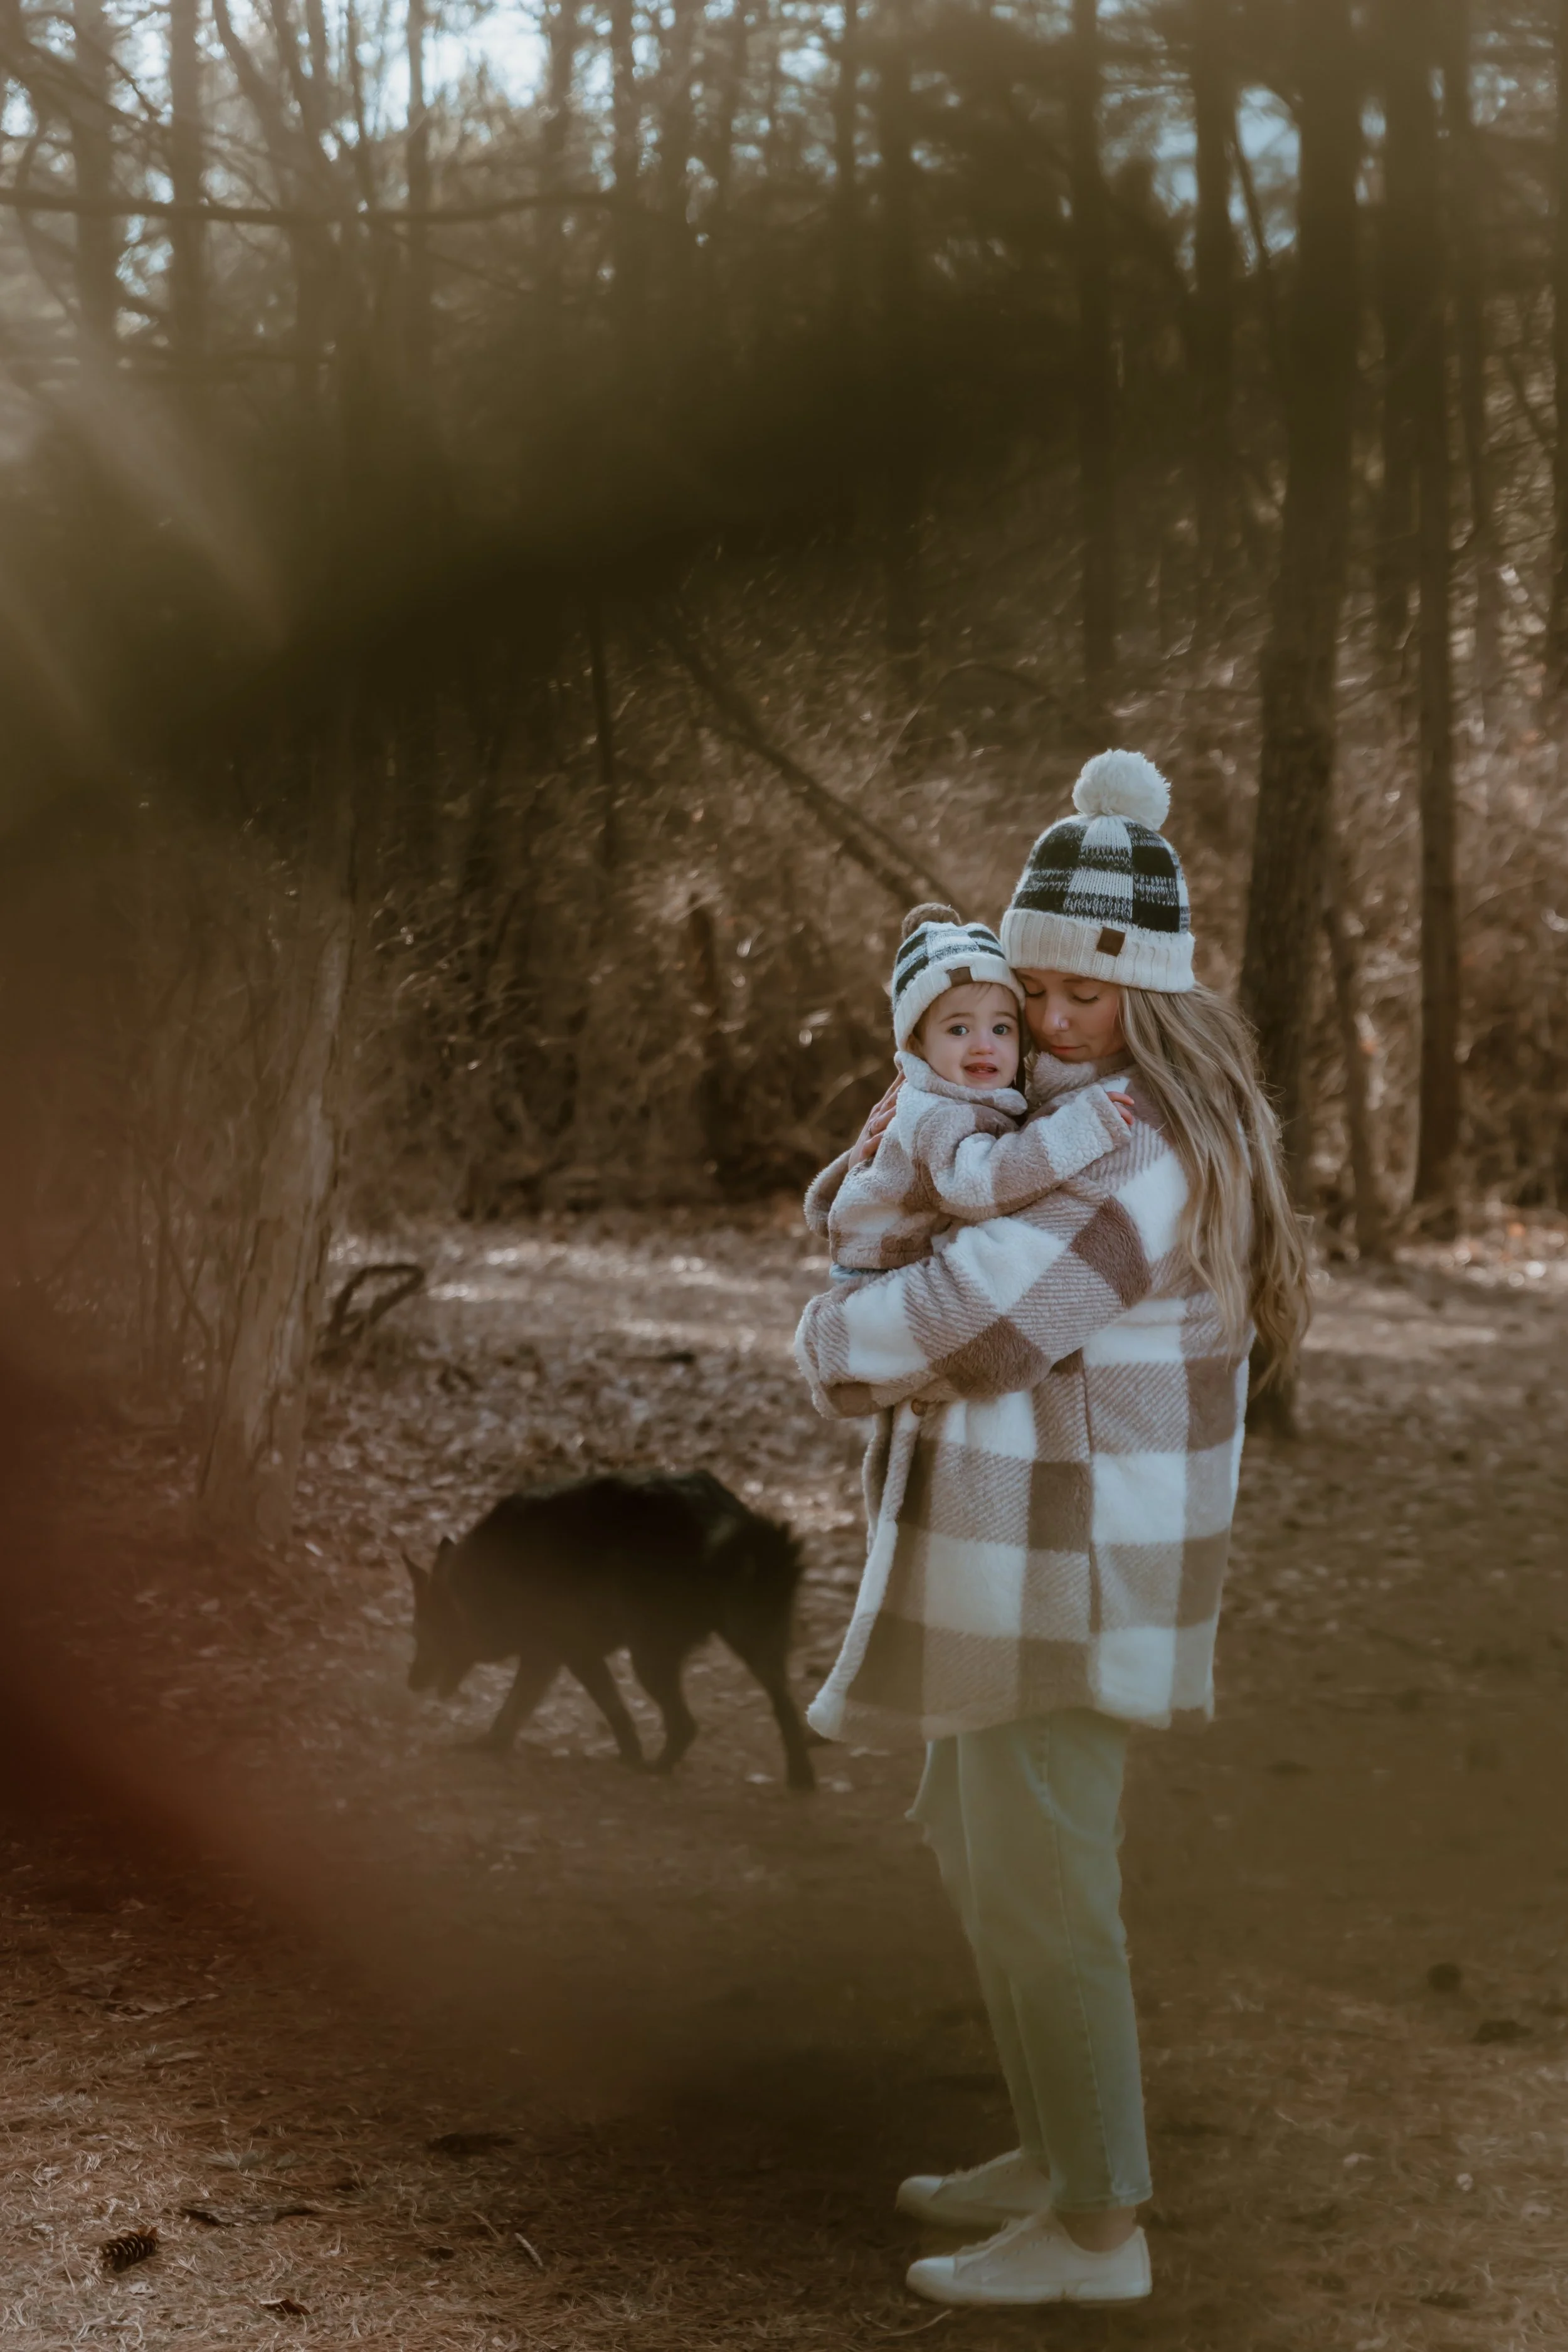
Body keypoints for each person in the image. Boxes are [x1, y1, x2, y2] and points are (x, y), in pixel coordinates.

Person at [794, 750, 1310, 2309]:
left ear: (1144, 994)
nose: (1049, 1013)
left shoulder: (1138, 1150)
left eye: (1084, 989)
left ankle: (1100, 2225)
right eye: (1034, 985)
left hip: (1074, 1573)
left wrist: (836, 1333)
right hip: (1016, 1557)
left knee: (1045, 1877)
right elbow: (908, 1220)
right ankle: (1055, 2144)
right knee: (977, 1839)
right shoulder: (1046, 1116)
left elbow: (968, 1326)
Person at [803, 904, 1133, 1280]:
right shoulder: (939, 1113)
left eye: (1002, 1029)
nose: (984, 1046)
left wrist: (852, 1176)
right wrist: (1078, 1129)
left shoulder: (956, 1099)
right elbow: (976, 1184)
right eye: (959, 1030)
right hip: (887, 1275)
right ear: (916, 1044)